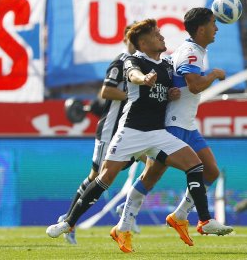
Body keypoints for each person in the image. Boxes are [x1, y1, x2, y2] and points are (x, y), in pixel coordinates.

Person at [46, 19, 232, 253]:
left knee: (195, 164)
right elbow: (133, 74)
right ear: (144, 43)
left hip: (157, 133)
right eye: (157, 35)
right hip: (131, 132)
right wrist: (143, 79)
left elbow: (173, 88)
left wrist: (171, 93)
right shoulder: (133, 61)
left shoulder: (165, 65)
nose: (162, 37)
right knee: (104, 178)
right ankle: (68, 222)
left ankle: (204, 220)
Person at [115, 7, 231, 247]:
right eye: (212, 24)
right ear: (201, 29)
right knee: (150, 177)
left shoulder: (193, 50)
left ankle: (180, 216)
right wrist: (214, 74)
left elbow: (177, 81)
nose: (216, 28)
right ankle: (124, 224)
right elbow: (195, 85)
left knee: (211, 172)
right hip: (172, 126)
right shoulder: (191, 52)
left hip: (187, 125)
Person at [53, 24, 139, 245]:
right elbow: (107, 90)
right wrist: (133, 94)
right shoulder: (120, 62)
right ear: (126, 39)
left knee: (152, 161)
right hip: (110, 130)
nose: (135, 42)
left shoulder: (141, 63)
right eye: (133, 38)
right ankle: (69, 221)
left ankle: (127, 207)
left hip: (130, 128)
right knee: (98, 177)